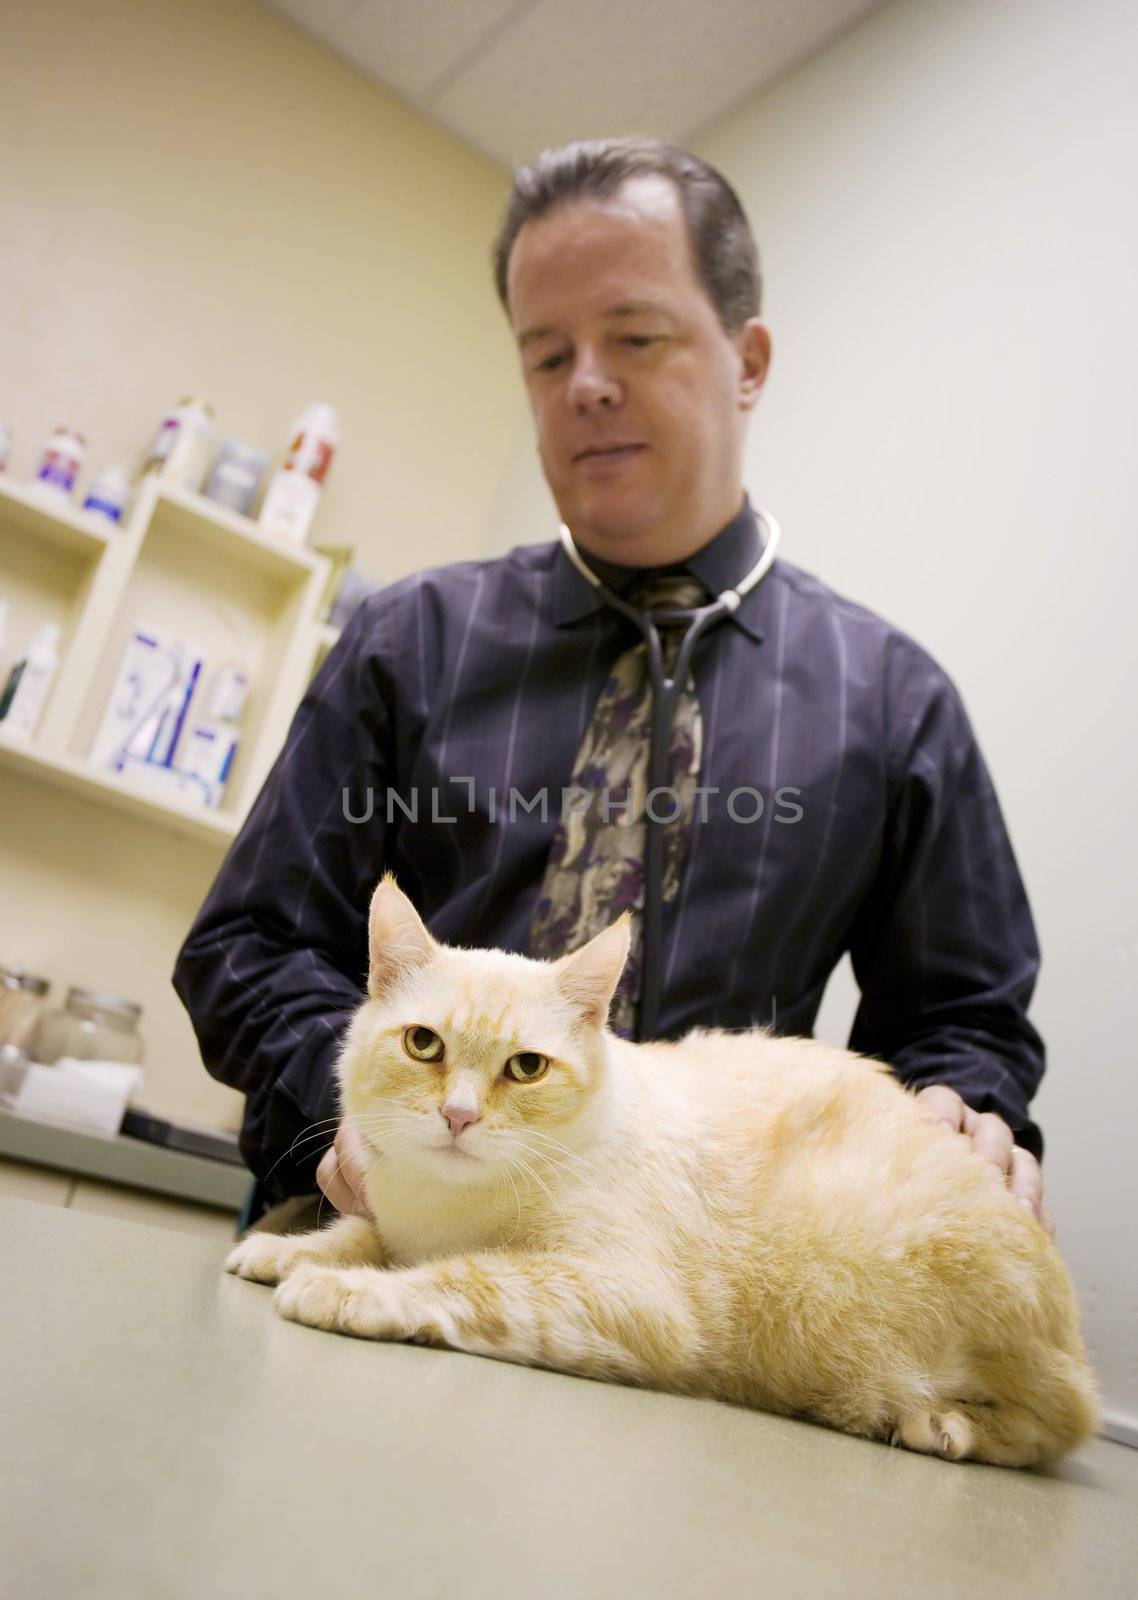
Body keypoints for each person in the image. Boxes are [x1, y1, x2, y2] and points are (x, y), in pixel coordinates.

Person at [174, 137, 1053, 1237]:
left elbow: (960, 1019)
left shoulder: (893, 702)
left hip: (673, 1293)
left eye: (634, 337)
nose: (586, 385)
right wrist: (354, 1102)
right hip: (356, 1238)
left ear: (748, 358)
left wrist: (958, 1111)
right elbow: (245, 944)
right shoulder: (410, 638)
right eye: (546, 357)